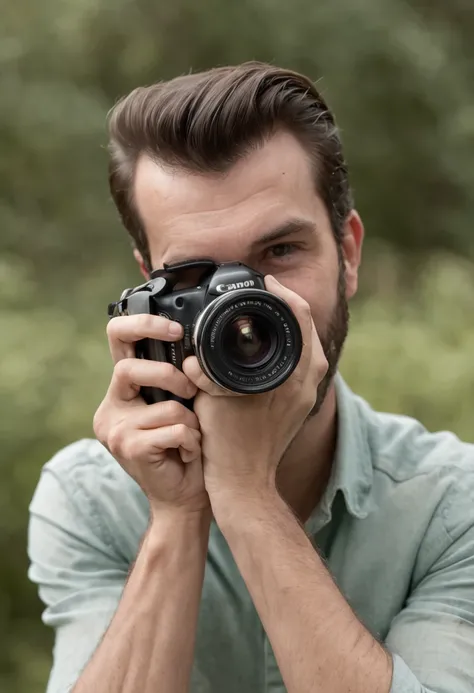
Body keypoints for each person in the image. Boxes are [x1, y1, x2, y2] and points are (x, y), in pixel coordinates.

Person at [28, 62, 474, 693]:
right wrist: (177, 516)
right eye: (196, 278)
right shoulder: (91, 501)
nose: (246, 307)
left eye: (281, 252)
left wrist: (244, 493)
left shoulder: (453, 509)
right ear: (144, 290)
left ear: (348, 254)